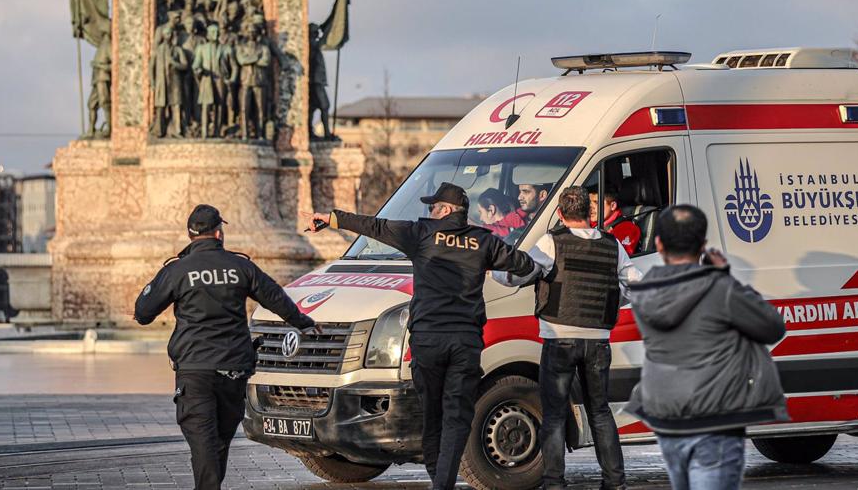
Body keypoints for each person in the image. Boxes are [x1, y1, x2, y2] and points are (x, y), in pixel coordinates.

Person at [307, 182, 540, 490]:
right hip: (464, 340)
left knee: (431, 414)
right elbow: (524, 264)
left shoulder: (421, 234)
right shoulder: (483, 241)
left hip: (428, 339)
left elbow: (374, 226)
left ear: (444, 210)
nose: (430, 211)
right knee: (456, 415)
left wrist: (331, 218)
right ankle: (440, 482)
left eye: (433, 207)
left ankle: (439, 480)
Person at [134, 204, 319, 490]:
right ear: (219, 233)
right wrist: (304, 323)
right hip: (234, 368)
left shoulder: (177, 270)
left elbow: (144, 313)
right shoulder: (241, 266)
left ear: (189, 234)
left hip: (195, 370)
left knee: (204, 440)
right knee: (218, 440)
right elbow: (275, 297)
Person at [624, 205, 788, 490]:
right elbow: (772, 326)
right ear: (702, 245)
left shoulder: (646, 290)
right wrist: (724, 275)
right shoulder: (719, 288)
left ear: (659, 243)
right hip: (714, 417)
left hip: (666, 416)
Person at [494, 186, 641, 490]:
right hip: (598, 341)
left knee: (554, 415)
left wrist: (495, 270)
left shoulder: (552, 242)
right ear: (590, 213)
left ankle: (554, 482)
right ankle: (615, 482)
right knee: (600, 412)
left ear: (560, 214)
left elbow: (521, 274)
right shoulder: (612, 245)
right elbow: (635, 285)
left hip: (559, 339)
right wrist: (612, 300)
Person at [588, 186, 641, 256]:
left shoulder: (627, 228)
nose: (590, 207)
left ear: (612, 206)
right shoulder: (591, 223)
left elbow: (618, 258)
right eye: (589, 202)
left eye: (596, 202)